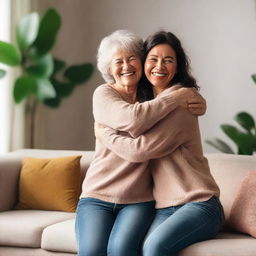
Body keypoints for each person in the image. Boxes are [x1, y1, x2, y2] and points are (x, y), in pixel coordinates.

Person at [75, 30, 207, 256]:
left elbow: (142, 143)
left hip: (139, 201)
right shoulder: (104, 94)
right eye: (118, 61)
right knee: (92, 251)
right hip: (97, 196)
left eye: (132, 58)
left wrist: (189, 96)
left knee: (121, 251)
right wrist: (177, 96)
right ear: (108, 68)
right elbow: (133, 118)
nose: (126, 66)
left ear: (141, 62)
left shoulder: (152, 97)